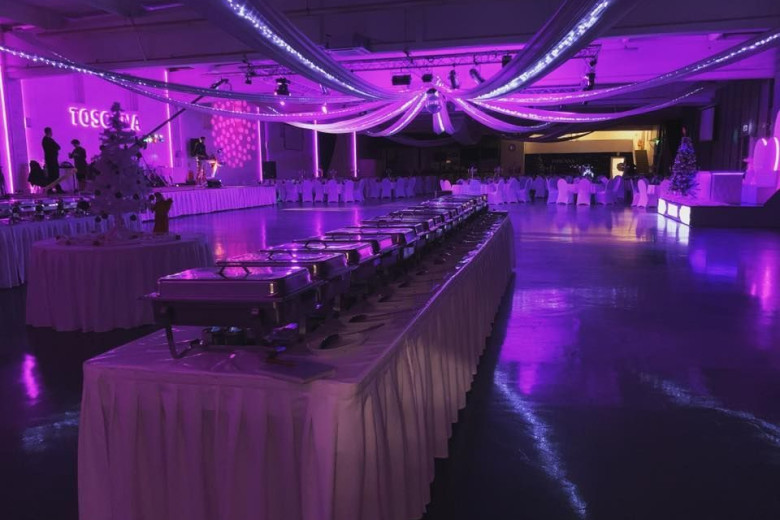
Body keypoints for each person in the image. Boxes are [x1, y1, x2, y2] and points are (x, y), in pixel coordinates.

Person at [42, 127, 63, 193]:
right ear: (49, 132)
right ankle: (53, 189)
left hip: (50, 159)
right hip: (52, 160)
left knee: (52, 174)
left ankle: (53, 189)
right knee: (54, 174)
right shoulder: (48, 140)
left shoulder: (45, 140)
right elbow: (58, 147)